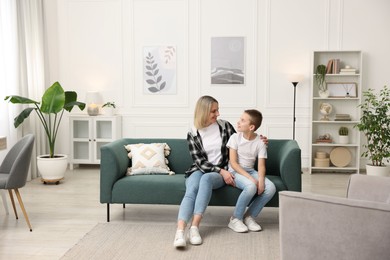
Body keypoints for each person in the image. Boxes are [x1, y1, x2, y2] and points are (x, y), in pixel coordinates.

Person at [173, 96, 267, 248]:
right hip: (201, 169)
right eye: (213, 111)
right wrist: (220, 171)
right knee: (191, 191)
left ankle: (194, 228)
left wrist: (259, 139)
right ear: (203, 112)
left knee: (206, 180)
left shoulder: (225, 127)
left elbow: (243, 139)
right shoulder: (193, 132)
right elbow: (199, 161)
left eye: (217, 110)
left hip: (219, 172)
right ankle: (179, 232)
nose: (218, 114)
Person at [226, 109, 276, 233]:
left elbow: (261, 166)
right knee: (251, 186)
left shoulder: (260, 142)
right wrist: (250, 178)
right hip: (235, 171)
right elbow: (233, 163)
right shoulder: (234, 138)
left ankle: (249, 217)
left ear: (251, 127)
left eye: (243, 120)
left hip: (250, 170)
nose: (238, 122)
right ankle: (235, 218)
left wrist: (261, 181)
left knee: (271, 188)